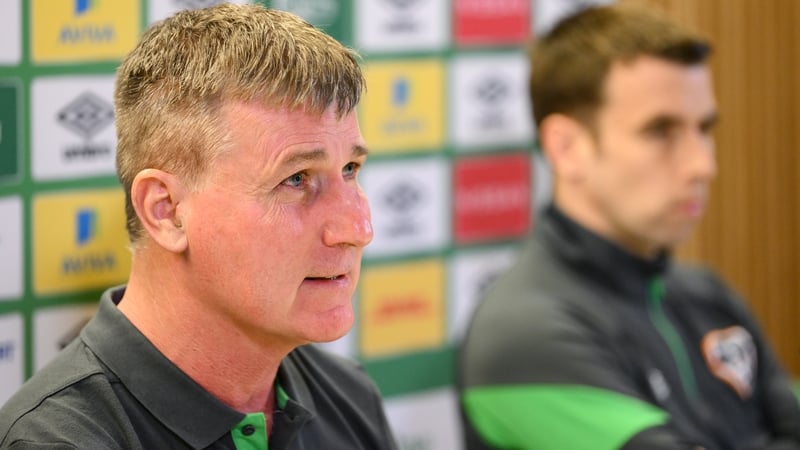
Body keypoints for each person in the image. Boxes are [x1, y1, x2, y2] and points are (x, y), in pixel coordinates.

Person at [0, 4, 398, 449]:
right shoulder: (58, 440)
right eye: (296, 179)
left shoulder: (349, 396)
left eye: (350, 169)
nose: (358, 227)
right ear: (166, 210)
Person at [458, 4, 800, 450]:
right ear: (566, 148)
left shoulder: (708, 295)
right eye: (661, 131)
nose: (703, 165)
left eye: (704, 128)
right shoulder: (522, 333)